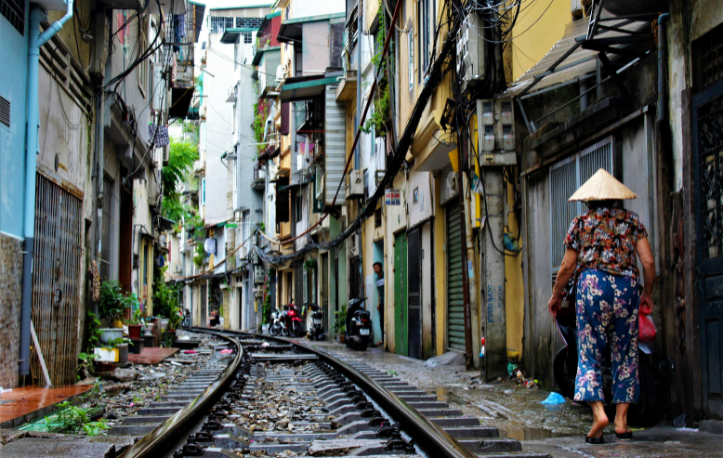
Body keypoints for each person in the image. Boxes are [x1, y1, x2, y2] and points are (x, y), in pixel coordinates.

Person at [547, 169, 655, 445]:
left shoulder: (581, 223)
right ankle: (621, 420)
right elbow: (648, 263)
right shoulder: (632, 221)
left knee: (590, 351)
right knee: (625, 353)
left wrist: (556, 296)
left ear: (589, 200)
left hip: (593, 287)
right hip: (627, 289)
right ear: (617, 199)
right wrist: (648, 294)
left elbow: (568, 266)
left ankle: (598, 415)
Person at [373, 262, 385, 346]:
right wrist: (378, 303)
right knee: (381, 321)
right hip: (381, 302)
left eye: (377, 268)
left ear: (381, 267)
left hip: (386, 302)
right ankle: (382, 339)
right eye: (374, 268)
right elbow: (379, 292)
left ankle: (385, 340)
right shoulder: (377, 279)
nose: (375, 270)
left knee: (385, 320)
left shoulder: (385, 276)